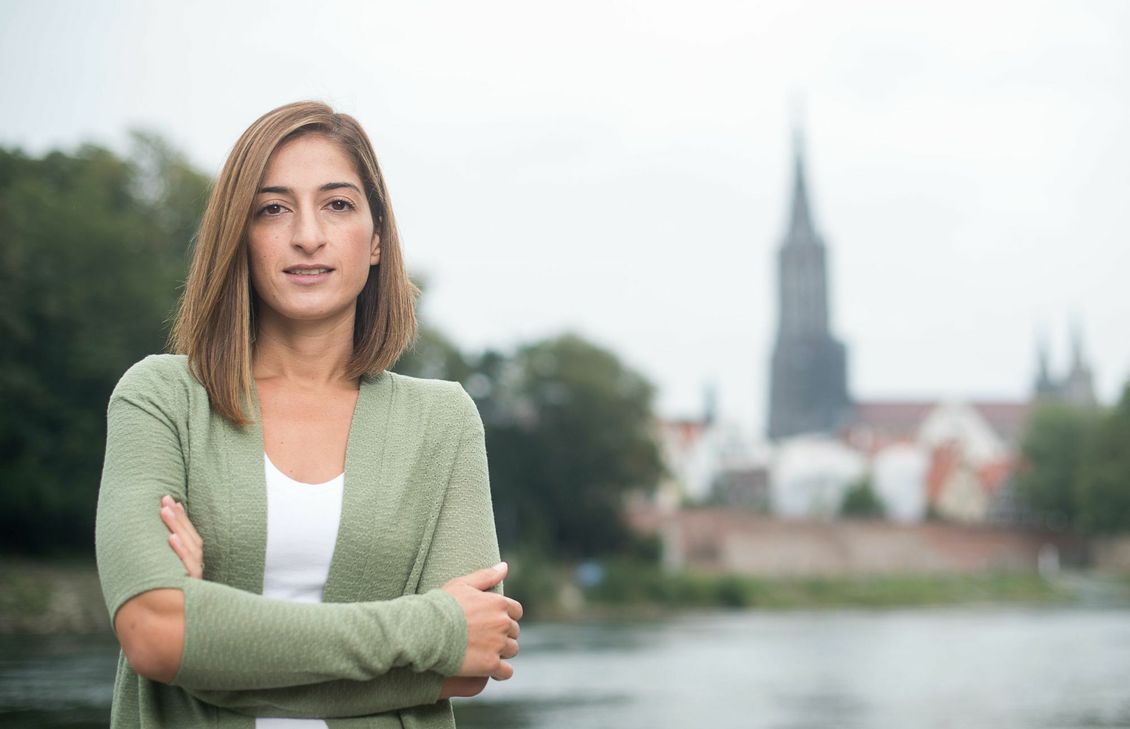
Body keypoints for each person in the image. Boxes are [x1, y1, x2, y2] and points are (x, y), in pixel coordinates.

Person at [95, 100, 522, 729]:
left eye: (338, 204)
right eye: (273, 208)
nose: (307, 235)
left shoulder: (443, 421)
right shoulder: (161, 399)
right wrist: (429, 626)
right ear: (239, 234)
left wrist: (210, 635)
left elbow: (468, 661)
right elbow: (154, 634)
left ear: (377, 240)